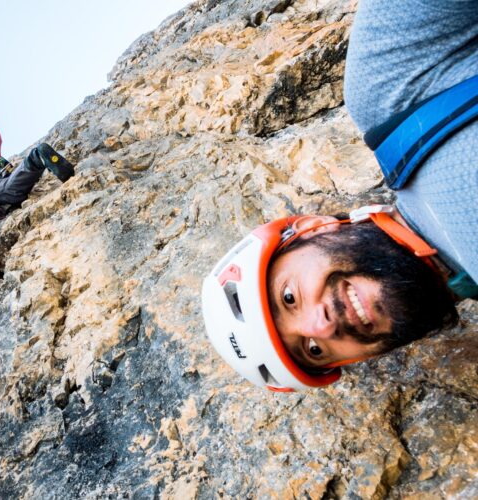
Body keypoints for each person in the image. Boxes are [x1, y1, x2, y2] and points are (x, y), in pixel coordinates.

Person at [201, 0, 477, 391]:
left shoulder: (388, 89)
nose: (322, 325)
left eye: (290, 297)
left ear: (313, 229)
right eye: (313, 349)